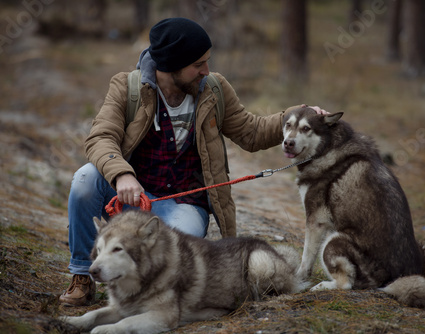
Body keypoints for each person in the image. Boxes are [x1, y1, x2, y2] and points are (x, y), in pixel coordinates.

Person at [60, 17, 326, 306]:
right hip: (134, 198)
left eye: (207, 61)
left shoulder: (214, 88)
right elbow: (100, 138)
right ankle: (82, 277)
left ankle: (147, 297)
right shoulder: (128, 88)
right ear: (171, 65)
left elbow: (251, 132)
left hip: (185, 204)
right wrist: (122, 175)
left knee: (176, 255)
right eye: (198, 64)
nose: (206, 70)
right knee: (85, 180)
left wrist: (299, 114)